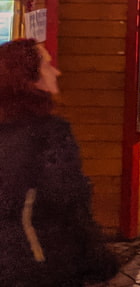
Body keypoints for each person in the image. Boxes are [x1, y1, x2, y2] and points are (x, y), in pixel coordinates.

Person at [0, 39, 118, 287]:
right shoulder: (49, 132)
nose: (57, 71)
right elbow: (68, 200)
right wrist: (98, 259)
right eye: (47, 65)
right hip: (39, 262)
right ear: (29, 78)